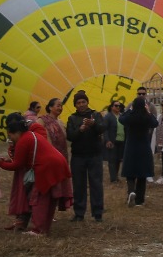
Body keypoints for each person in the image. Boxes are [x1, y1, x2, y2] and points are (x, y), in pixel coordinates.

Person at [0, 113, 70, 236]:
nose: (10, 139)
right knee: (49, 199)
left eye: (10, 135)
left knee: (38, 199)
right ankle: (44, 229)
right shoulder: (32, 134)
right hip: (58, 164)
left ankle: (38, 230)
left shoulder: (23, 140)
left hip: (46, 168)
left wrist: (0, 164)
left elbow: (16, 165)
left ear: (16, 132)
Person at [65, 92, 106, 222]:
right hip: (78, 157)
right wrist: (81, 129)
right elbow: (70, 136)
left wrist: (93, 124)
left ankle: (98, 213)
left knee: (96, 184)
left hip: (94, 155)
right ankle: (79, 213)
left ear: (87, 102)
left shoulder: (96, 115)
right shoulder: (72, 118)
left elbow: (102, 128)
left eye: (83, 102)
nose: (81, 104)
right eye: (78, 103)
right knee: (79, 185)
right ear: (75, 105)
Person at [119, 97, 158, 206]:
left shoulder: (130, 116)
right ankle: (139, 201)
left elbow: (121, 119)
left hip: (131, 146)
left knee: (130, 171)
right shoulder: (147, 117)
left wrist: (130, 110)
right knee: (142, 173)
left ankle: (131, 191)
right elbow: (155, 123)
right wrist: (149, 112)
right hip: (144, 147)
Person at [39, 97, 73, 214]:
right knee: (50, 184)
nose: (60, 108)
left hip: (61, 157)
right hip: (49, 157)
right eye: (58, 105)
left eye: (61, 106)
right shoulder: (42, 120)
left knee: (58, 185)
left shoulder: (60, 122)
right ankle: (45, 211)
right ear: (50, 107)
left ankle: (51, 212)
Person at [105, 100, 124, 182]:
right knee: (112, 160)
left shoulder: (122, 116)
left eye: (119, 106)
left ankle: (116, 176)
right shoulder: (108, 116)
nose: (118, 107)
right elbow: (105, 129)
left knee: (118, 159)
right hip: (112, 141)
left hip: (122, 140)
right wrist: (107, 140)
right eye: (116, 105)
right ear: (112, 107)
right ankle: (113, 178)